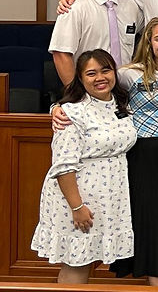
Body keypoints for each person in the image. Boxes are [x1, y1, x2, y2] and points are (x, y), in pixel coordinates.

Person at [73, 16, 158, 285]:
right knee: (153, 226)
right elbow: (93, 92)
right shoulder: (129, 74)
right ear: (148, 43)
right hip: (142, 156)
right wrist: (56, 108)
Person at [31, 49, 136, 284]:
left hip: (110, 198)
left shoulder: (121, 104)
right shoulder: (71, 113)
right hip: (79, 198)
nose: (100, 78)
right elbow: (63, 166)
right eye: (91, 73)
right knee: (77, 263)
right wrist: (77, 206)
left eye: (105, 70)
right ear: (80, 78)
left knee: (89, 260)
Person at [49, 0, 144, 85]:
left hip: (125, 87)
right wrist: (75, 92)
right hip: (90, 86)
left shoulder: (132, 7)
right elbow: (61, 54)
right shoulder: (74, 9)